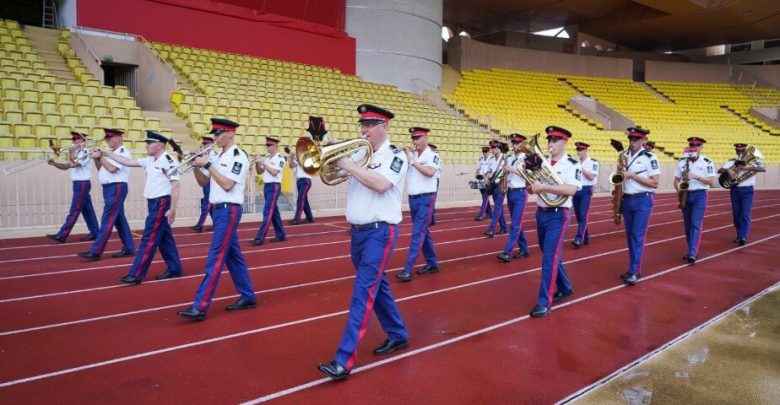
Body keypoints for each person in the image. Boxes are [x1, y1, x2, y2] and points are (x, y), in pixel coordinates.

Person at [317, 104, 409, 381]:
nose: (364, 130)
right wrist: (327, 142)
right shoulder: (359, 152)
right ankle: (398, 333)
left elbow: (381, 184)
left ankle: (343, 360)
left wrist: (345, 163)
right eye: (363, 125)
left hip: (380, 233)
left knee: (362, 292)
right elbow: (331, 173)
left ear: (385, 127)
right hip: (357, 233)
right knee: (376, 287)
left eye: (370, 125)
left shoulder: (396, 156)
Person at [178, 118, 256, 321]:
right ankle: (248, 295)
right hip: (218, 210)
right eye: (214, 134)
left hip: (229, 210)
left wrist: (209, 164)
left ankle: (200, 305)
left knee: (216, 256)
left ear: (230, 134)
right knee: (232, 256)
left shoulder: (238, 156)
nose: (215, 138)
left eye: (219, 133)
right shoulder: (216, 155)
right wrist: (196, 165)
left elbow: (228, 184)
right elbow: (204, 181)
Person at [98, 130, 184, 284]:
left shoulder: (168, 161)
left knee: (149, 238)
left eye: (149, 144)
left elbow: (176, 186)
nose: (146, 146)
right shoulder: (150, 160)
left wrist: (173, 209)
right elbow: (127, 162)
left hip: (161, 202)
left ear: (158, 145)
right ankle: (174, 268)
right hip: (153, 203)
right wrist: (106, 154)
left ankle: (136, 274)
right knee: (165, 239)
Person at [528, 126, 581, 317]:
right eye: (549, 140)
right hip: (541, 212)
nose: (550, 144)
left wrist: (544, 186)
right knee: (549, 254)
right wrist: (531, 185)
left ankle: (544, 302)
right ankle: (565, 286)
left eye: (555, 140)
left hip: (558, 215)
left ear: (564, 142)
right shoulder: (541, 163)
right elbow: (531, 187)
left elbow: (571, 190)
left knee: (549, 258)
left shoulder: (572, 164)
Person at [78, 128, 135, 260]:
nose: (108, 141)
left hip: (116, 187)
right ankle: (129, 248)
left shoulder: (122, 152)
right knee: (119, 220)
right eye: (107, 139)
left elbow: (112, 169)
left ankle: (96, 251)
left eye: (110, 138)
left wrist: (101, 156)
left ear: (119, 138)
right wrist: (96, 159)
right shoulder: (112, 153)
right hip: (110, 188)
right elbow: (101, 169)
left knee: (107, 220)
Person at [397, 127, 440, 282]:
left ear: (426, 138)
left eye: (417, 138)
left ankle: (408, 268)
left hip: (426, 199)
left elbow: (429, 172)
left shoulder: (433, 156)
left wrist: (413, 162)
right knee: (423, 232)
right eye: (413, 138)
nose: (414, 142)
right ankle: (432, 262)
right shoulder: (413, 155)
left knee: (417, 232)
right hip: (413, 199)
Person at [619, 127, 660, 285]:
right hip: (627, 199)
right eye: (631, 139)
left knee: (637, 235)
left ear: (644, 141)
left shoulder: (650, 157)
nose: (632, 142)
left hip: (643, 199)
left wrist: (633, 176)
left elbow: (655, 183)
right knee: (630, 236)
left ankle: (635, 271)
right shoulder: (625, 156)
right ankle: (632, 268)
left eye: (636, 139)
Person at [45, 131, 99, 243]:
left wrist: (71, 151)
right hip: (78, 184)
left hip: (82, 183)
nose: (74, 142)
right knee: (87, 210)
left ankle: (62, 234)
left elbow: (74, 164)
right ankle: (95, 232)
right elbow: (66, 166)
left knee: (74, 210)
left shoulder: (85, 152)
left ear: (83, 141)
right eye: (73, 140)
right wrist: (54, 163)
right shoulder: (76, 152)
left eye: (76, 140)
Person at [674, 137, 715, 264]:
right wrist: (679, 191)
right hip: (685, 194)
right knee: (687, 225)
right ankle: (690, 249)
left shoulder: (707, 162)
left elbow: (710, 181)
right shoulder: (681, 162)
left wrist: (695, 176)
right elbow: (676, 181)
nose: (694, 147)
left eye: (697, 146)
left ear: (701, 147)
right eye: (692, 145)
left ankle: (692, 252)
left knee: (695, 223)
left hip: (699, 194)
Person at [718, 143, 765, 245]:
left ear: (746, 151)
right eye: (738, 150)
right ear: (735, 151)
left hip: (748, 190)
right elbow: (719, 170)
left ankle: (743, 236)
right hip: (735, 190)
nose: (740, 152)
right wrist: (729, 169)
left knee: (745, 214)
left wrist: (748, 168)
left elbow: (763, 169)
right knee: (736, 215)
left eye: (742, 150)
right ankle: (739, 235)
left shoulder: (752, 161)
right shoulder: (732, 161)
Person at [497, 133, 530, 262]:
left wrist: (511, 169)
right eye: (514, 143)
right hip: (511, 192)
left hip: (521, 193)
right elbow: (506, 172)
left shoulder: (527, 158)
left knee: (515, 224)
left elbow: (528, 176)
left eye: (517, 143)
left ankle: (507, 252)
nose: (515, 145)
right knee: (517, 223)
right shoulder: (510, 158)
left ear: (522, 144)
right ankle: (524, 249)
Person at [250, 136, 287, 245]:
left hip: (274, 186)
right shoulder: (267, 158)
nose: (267, 147)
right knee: (274, 212)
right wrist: (257, 162)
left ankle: (260, 237)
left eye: (269, 145)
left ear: (275, 146)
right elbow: (259, 172)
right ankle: (281, 234)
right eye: (266, 145)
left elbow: (274, 172)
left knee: (267, 211)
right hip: (267, 186)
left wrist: (264, 163)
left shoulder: (280, 158)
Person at [289, 117, 320, 225]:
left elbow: (306, 166)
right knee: (304, 200)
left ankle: (297, 218)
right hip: (299, 180)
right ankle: (310, 217)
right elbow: (290, 165)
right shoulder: (300, 156)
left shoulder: (307, 157)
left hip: (306, 180)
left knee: (300, 199)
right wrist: (291, 157)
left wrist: (298, 158)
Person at [571, 141, 599, 248]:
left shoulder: (593, 162)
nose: (579, 152)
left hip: (586, 190)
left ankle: (579, 238)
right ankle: (585, 236)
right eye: (578, 150)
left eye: (581, 150)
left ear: (586, 150)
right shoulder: (575, 162)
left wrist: (581, 168)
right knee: (578, 216)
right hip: (576, 189)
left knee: (583, 214)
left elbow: (591, 176)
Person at [191, 135, 217, 233]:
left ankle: (199, 225)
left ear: (211, 144)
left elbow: (208, 168)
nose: (205, 146)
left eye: (206, 144)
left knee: (206, 204)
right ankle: (216, 224)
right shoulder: (206, 155)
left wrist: (199, 157)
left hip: (211, 181)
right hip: (205, 180)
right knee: (209, 205)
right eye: (204, 144)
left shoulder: (213, 155)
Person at [484, 140, 507, 237]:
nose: (493, 149)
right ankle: (503, 227)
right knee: (499, 208)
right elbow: (488, 171)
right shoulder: (491, 160)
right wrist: (486, 177)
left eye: (494, 147)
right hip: (493, 186)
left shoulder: (506, 159)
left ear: (499, 147)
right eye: (492, 147)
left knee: (497, 208)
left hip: (501, 186)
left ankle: (491, 229)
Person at [474, 146, 492, 220]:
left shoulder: (492, 160)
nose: (484, 153)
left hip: (488, 181)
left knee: (485, 198)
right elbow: (477, 169)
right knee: (485, 198)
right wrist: (477, 174)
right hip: (480, 181)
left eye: (486, 152)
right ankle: (490, 213)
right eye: (483, 152)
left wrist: (486, 176)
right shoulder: (480, 160)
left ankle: (481, 214)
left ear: (488, 152)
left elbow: (491, 170)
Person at [428, 143, 440, 226]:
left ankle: (431, 220)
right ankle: (431, 219)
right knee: (430, 200)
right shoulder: (430, 156)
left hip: (434, 180)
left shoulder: (435, 157)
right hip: (430, 180)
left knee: (431, 200)